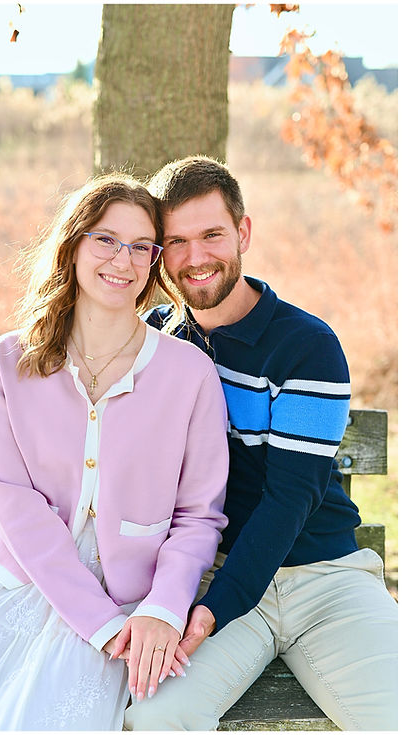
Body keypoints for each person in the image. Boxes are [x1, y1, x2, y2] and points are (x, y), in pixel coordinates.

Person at [0, 173, 230, 730]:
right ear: (74, 244)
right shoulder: (10, 361)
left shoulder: (189, 373)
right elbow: (16, 505)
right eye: (106, 239)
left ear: (154, 261)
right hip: (19, 583)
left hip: (133, 599)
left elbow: (198, 515)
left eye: (139, 247)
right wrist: (99, 624)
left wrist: (161, 609)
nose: (121, 260)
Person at [124, 156, 398, 730]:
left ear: (243, 232)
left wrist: (211, 612)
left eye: (211, 235)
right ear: (158, 252)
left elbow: (290, 499)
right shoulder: (153, 339)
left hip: (324, 581)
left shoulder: (306, 345)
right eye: (176, 241)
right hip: (213, 574)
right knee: (153, 719)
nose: (195, 258)